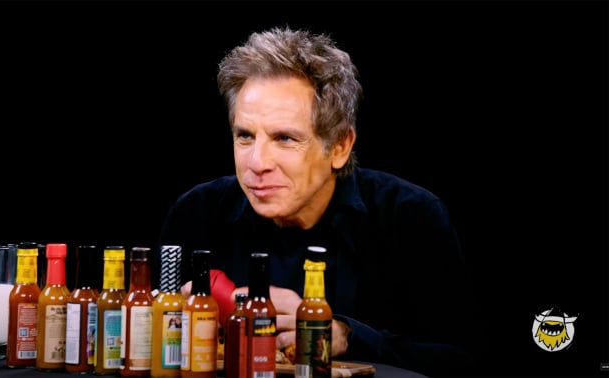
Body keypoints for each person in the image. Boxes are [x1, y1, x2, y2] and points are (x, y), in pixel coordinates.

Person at [157, 26, 476, 377]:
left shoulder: (409, 216)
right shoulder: (197, 213)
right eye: (244, 136)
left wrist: (343, 335)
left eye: (285, 138)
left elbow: (462, 359)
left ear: (339, 146)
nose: (257, 163)